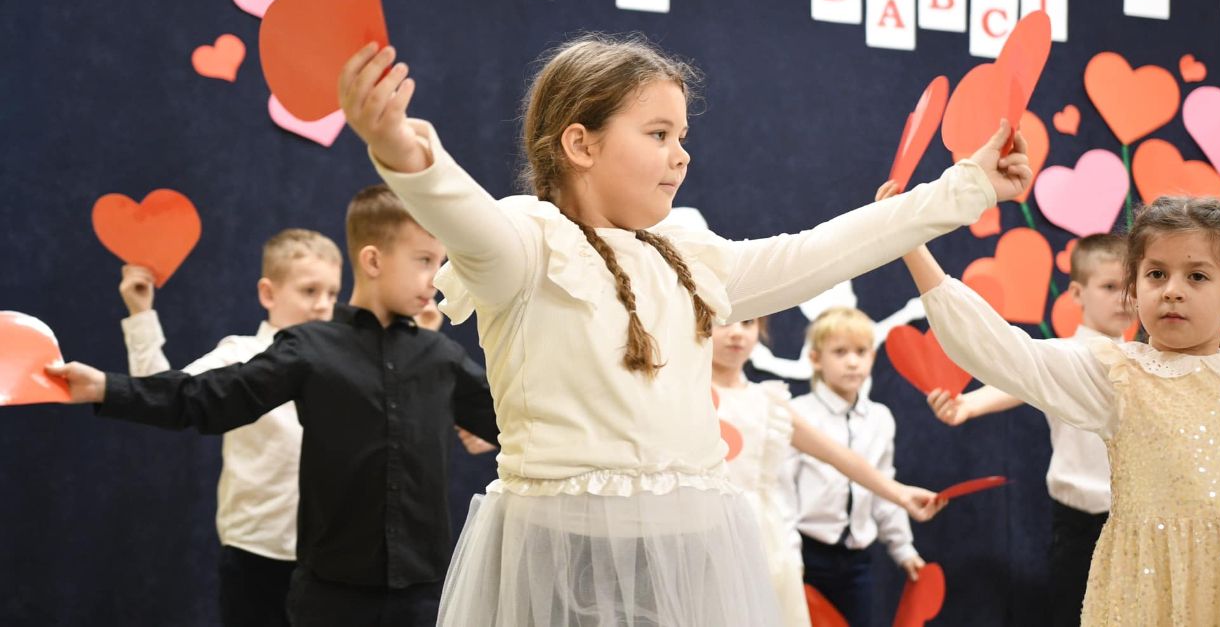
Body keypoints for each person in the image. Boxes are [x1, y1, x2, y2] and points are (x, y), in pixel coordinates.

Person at [337, 34, 1032, 625]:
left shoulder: (691, 256)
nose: (682, 155)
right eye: (659, 134)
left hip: (687, 548)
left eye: (682, 137)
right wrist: (399, 144)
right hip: (562, 556)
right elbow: (464, 213)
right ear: (579, 142)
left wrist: (967, 186)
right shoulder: (526, 243)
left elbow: (826, 249)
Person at [50, 185, 498, 626]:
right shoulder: (308, 348)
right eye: (424, 260)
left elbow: (515, 421)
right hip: (323, 593)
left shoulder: (440, 357)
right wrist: (106, 388)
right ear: (374, 260)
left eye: (441, 263)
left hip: (422, 595)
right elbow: (203, 396)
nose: (437, 278)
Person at [904, 195, 1220, 625]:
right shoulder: (1118, 375)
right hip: (1140, 598)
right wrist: (909, 241)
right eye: (1156, 274)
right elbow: (1008, 354)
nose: (1172, 289)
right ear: (1136, 288)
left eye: (1197, 276)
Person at [117, 229, 342, 627]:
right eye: (309, 291)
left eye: (331, 294)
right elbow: (165, 395)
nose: (323, 306)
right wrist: (141, 315)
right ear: (268, 294)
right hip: (255, 550)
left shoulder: (342, 361)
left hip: (329, 556)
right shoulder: (240, 356)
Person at [922, 232, 1133, 627]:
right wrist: (966, 405)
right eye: (1109, 287)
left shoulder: (1143, 361)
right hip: (1079, 524)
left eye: (1130, 287)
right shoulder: (1062, 355)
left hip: (1136, 521)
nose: (1123, 299)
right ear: (1076, 292)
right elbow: (1017, 379)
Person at [785, 306, 926, 627]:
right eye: (840, 352)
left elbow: (884, 488)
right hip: (808, 556)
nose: (852, 361)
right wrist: (790, 557)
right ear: (816, 359)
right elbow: (783, 493)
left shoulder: (880, 419)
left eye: (861, 352)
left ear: (873, 357)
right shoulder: (798, 416)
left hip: (857, 561)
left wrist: (904, 548)